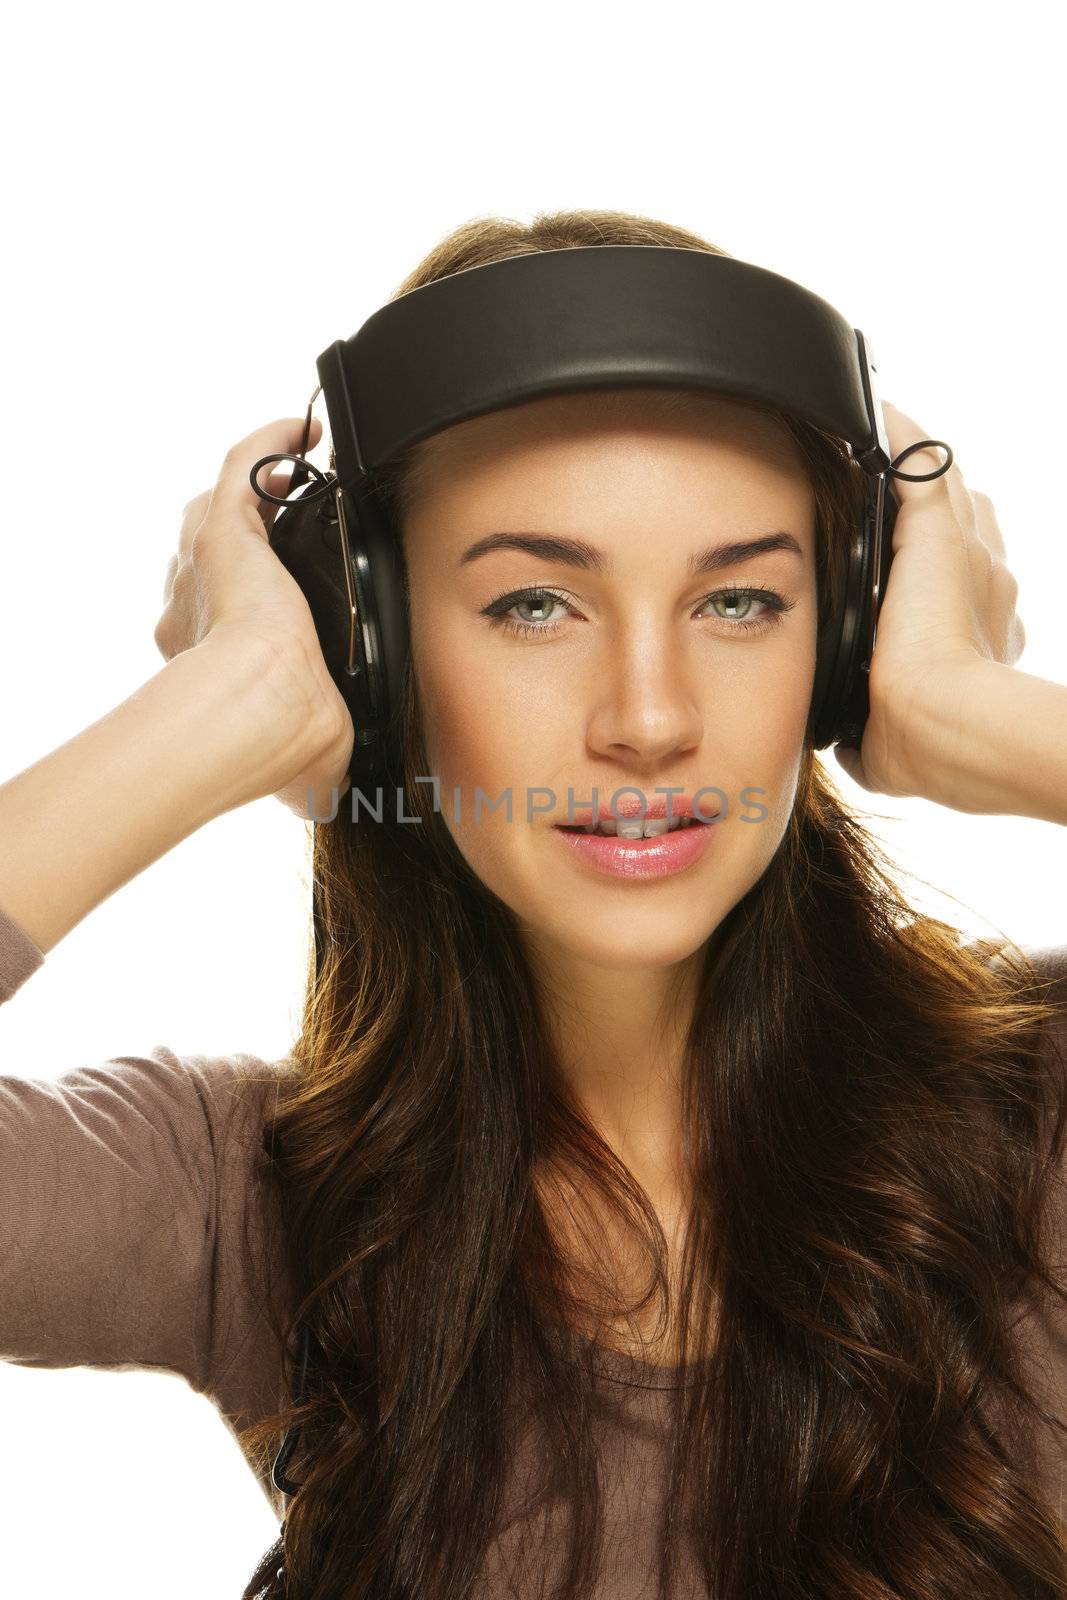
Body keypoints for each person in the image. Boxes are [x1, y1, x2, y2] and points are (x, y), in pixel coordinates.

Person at [3, 208, 1067, 1600]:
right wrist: (220, 709)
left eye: (741, 602)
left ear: (846, 639)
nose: (650, 719)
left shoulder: (1036, 1117)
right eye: (533, 607)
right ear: (366, 650)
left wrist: (982, 717)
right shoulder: (247, 1203)